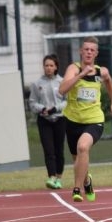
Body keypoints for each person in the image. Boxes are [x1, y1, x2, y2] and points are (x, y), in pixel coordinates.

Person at [58, 36, 112, 202]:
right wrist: (81, 75)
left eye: (92, 50)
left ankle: (77, 189)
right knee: (77, 159)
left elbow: (109, 81)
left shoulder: (101, 71)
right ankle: (87, 180)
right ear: (80, 51)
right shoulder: (74, 68)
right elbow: (62, 90)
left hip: (94, 120)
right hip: (72, 121)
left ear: (96, 53)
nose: (89, 52)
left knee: (83, 147)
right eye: (86, 49)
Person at [28, 54, 67, 190]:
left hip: (60, 119)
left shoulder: (62, 81)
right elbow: (32, 103)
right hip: (44, 120)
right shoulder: (37, 84)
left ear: (56, 67)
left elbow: (67, 101)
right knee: (48, 150)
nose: (49, 68)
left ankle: (59, 177)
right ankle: (51, 177)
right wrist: (42, 109)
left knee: (59, 150)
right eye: (46, 65)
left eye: (51, 65)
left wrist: (56, 108)